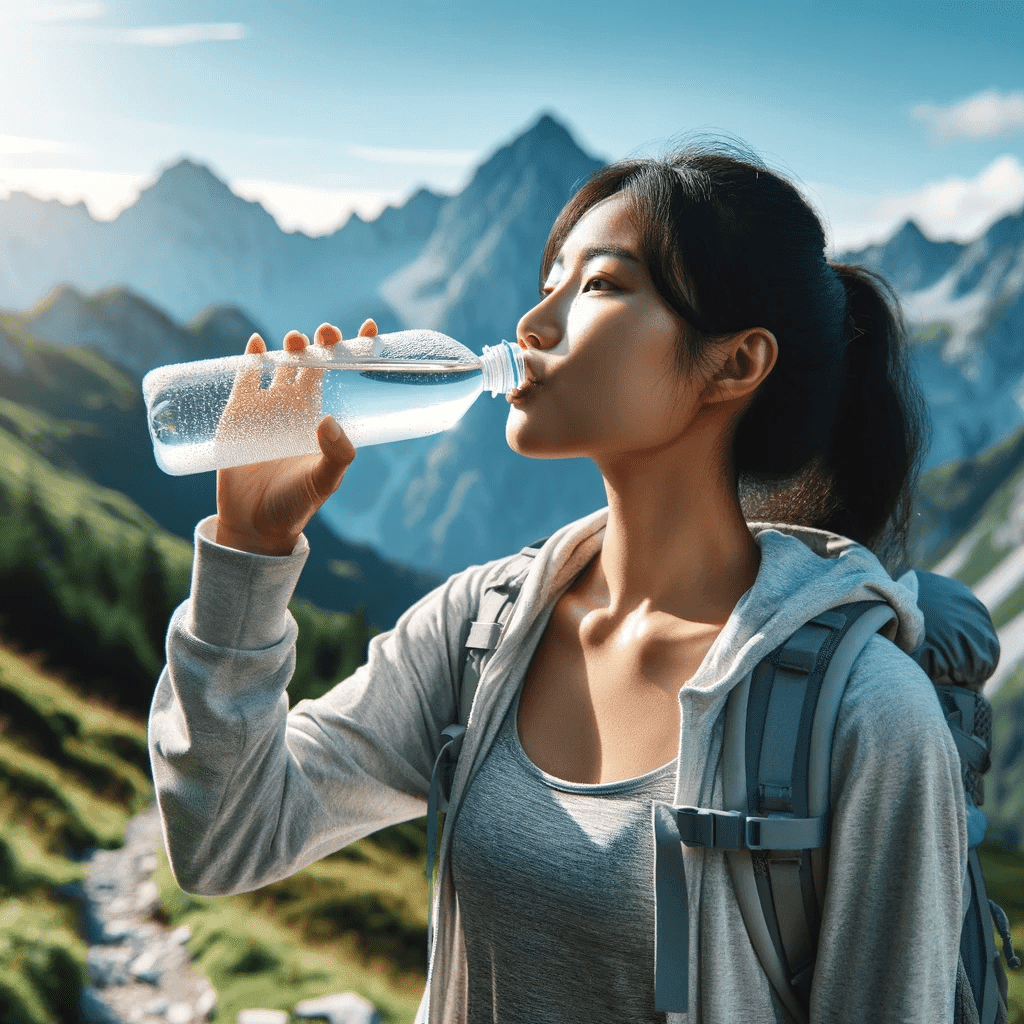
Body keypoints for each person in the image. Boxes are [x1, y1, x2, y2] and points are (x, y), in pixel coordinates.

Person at [148, 142, 968, 1024]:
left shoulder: (864, 718)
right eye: (549, 279)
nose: (532, 324)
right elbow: (226, 836)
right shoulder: (484, 628)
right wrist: (250, 549)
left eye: (598, 286)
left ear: (734, 364)